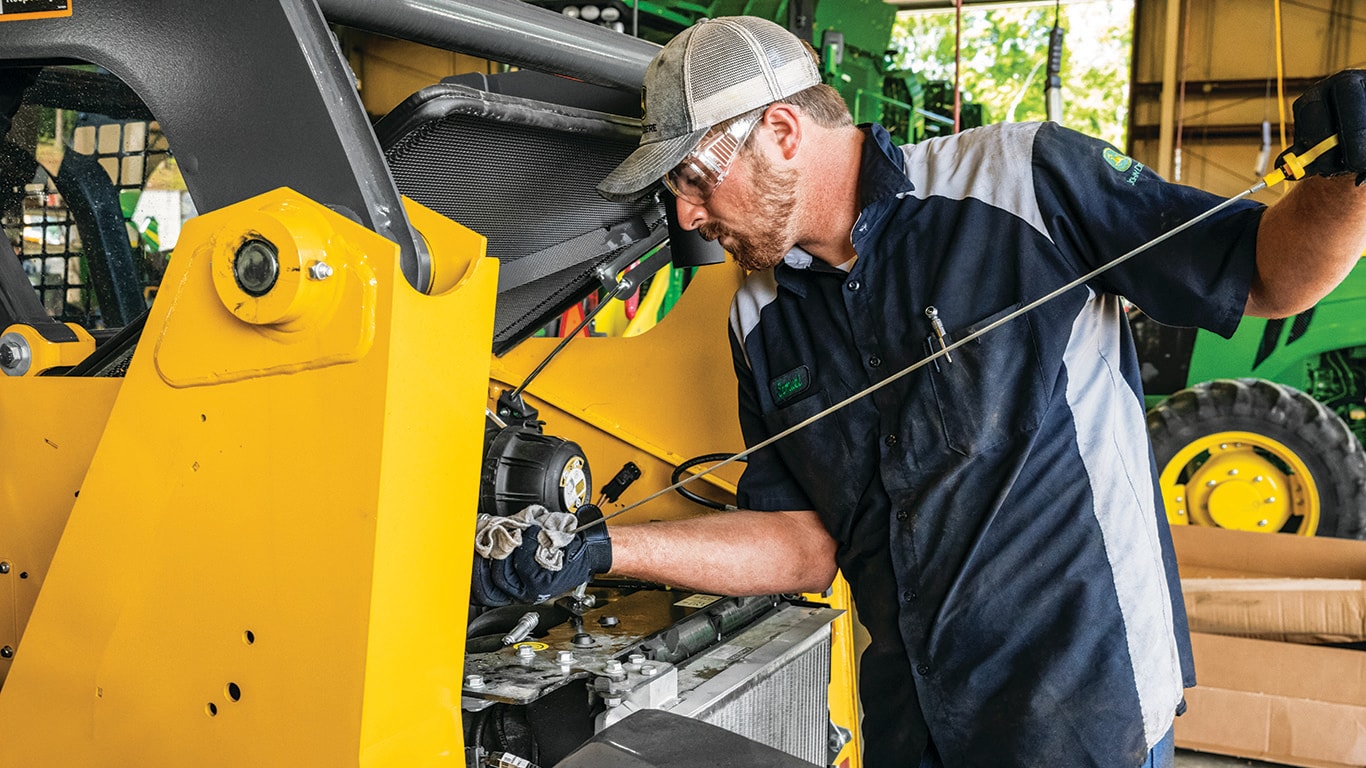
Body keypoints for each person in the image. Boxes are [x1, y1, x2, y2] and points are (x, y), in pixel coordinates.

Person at [473, 15, 1366, 768]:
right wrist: (598, 549)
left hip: (1080, 710)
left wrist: (1345, 179)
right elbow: (804, 544)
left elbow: (1264, 277)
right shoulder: (757, 316)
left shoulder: (1020, 182)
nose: (688, 218)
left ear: (782, 133)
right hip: (912, 721)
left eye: (697, 182)